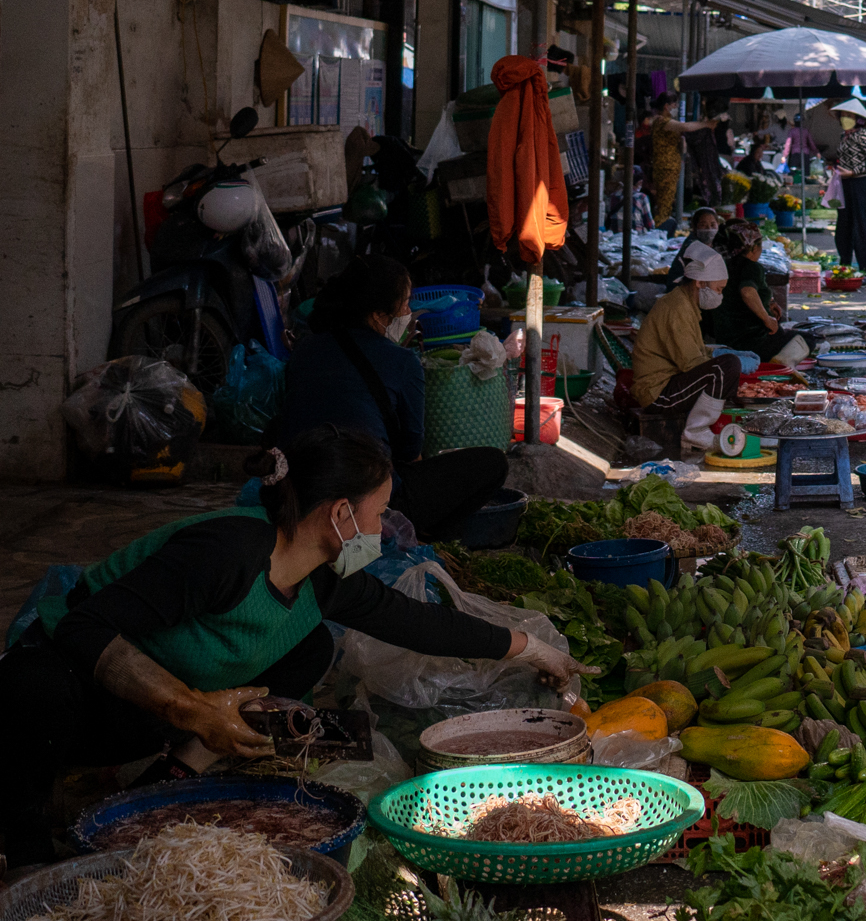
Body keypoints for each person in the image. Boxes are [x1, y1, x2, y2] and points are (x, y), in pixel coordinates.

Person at [0, 425, 590, 863]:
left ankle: (170, 777)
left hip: (161, 711)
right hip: (83, 699)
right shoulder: (226, 554)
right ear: (339, 513)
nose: (384, 531)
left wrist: (537, 651)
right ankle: (23, 849)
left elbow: (417, 623)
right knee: (34, 687)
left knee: (308, 651)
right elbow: (83, 629)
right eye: (380, 513)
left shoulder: (325, 579)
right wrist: (191, 709)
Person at [275, 257, 505, 540]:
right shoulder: (403, 362)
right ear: (378, 316)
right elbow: (410, 451)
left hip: (300, 492)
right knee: (494, 464)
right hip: (365, 502)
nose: (410, 312)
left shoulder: (305, 350)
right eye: (406, 303)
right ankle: (425, 537)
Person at [632, 242, 742, 453]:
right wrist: (727, 361)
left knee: (727, 363)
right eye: (719, 289)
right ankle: (696, 433)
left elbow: (696, 351)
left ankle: (706, 426)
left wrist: (719, 352)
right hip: (657, 393)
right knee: (726, 367)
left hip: (668, 385)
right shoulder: (677, 307)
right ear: (700, 283)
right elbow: (691, 364)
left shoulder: (685, 304)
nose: (720, 295)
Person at [704, 221, 809, 366]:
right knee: (806, 339)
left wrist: (769, 303)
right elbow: (747, 292)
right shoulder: (752, 267)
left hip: (725, 338)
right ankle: (776, 367)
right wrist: (767, 319)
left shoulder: (724, 265)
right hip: (752, 341)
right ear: (754, 247)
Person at [829, 99, 866, 274]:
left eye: (848, 115)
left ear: (858, 118)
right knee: (844, 224)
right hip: (844, 183)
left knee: (861, 226)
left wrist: (852, 172)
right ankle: (845, 264)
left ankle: (865, 269)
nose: (845, 118)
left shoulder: (864, 135)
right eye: (843, 115)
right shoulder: (844, 136)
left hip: (860, 183)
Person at [649, 92, 718, 214]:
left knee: (668, 201)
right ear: (667, 106)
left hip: (670, 167)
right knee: (664, 203)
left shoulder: (666, 121)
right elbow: (685, 127)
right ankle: (661, 226)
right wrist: (706, 124)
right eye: (674, 104)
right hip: (665, 168)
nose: (676, 107)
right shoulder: (661, 121)